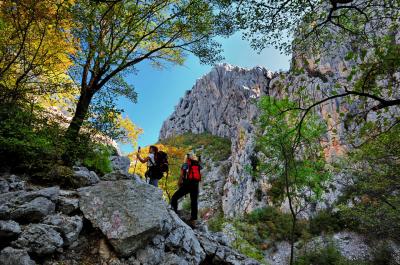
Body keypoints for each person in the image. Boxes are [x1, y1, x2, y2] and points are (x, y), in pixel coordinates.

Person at [170, 153, 202, 227]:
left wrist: (179, 183)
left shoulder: (185, 164)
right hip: (195, 185)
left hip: (187, 185)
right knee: (194, 202)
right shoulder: (197, 165)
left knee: (174, 197)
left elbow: (181, 175)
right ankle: (193, 222)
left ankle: (174, 214)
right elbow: (199, 175)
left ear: (187, 158)